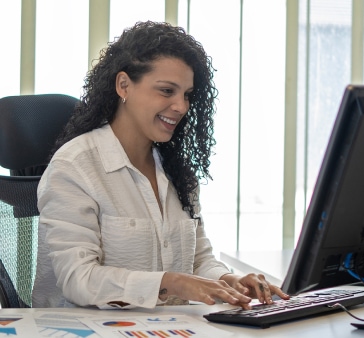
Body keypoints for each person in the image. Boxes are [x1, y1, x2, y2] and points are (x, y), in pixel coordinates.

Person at [32, 21, 289, 309]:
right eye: (167, 91)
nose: (181, 106)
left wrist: (229, 281)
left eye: (187, 95)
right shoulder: (75, 167)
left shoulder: (177, 171)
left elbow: (199, 259)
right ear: (124, 85)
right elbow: (78, 280)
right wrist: (172, 282)